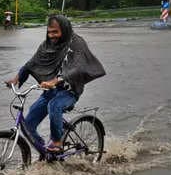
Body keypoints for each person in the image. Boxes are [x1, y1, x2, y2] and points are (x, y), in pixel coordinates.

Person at [6, 15, 105, 153]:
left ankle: (57, 142)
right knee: (27, 125)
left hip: (69, 91)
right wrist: (16, 78)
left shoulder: (76, 43)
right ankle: (44, 151)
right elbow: (32, 63)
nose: (51, 35)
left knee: (54, 105)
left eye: (55, 32)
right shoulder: (47, 45)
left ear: (64, 30)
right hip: (51, 91)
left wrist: (55, 80)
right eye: (49, 32)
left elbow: (78, 67)